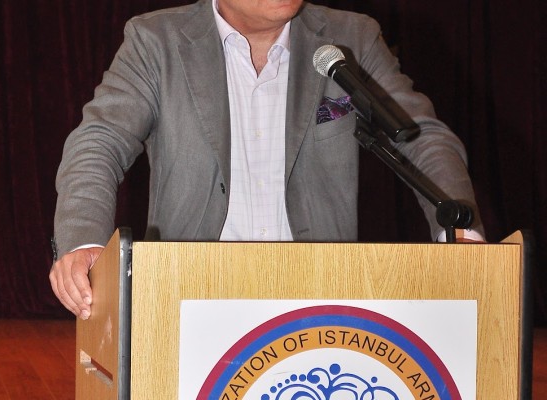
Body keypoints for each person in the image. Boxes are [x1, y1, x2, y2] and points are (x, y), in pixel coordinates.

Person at [49, 0, 484, 319]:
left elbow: (420, 137)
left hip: (321, 297)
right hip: (188, 295)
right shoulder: (156, 41)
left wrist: (460, 233)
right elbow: (100, 141)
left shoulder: (350, 38)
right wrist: (84, 243)